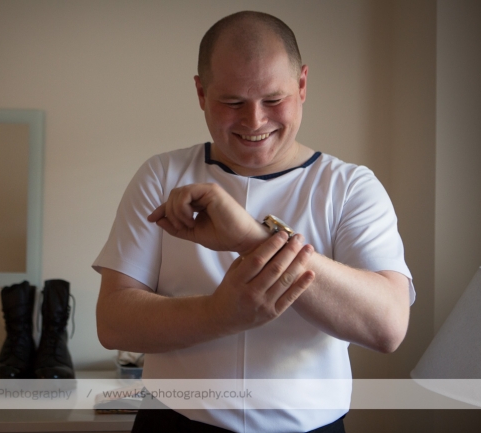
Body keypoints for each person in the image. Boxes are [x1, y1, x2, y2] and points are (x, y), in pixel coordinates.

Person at [93, 10, 414, 433]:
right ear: (201, 92)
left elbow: (387, 327)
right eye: (232, 103)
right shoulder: (161, 176)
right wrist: (218, 314)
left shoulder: (351, 186)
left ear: (302, 85)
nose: (255, 121)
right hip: (174, 422)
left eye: (273, 100)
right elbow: (113, 323)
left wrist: (252, 239)